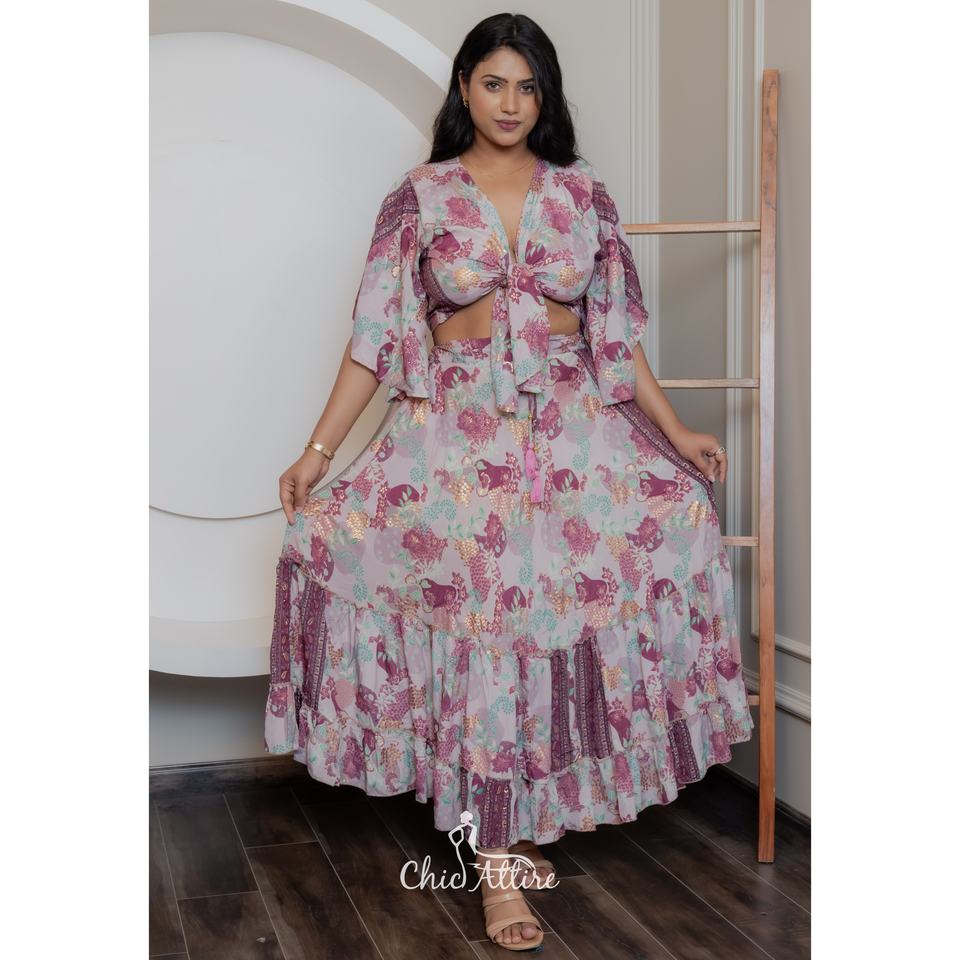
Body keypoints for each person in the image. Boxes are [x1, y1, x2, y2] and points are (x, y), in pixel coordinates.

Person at [264, 12, 754, 952]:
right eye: (494, 83)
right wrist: (319, 452)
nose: (511, 103)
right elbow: (374, 340)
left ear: (545, 98)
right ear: (464, 87)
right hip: (457, 436)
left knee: (565, 609)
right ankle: (496, 861)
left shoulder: (583, 195)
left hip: (574, 432)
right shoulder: (419, 197)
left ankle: (528, 816)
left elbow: (615, 338)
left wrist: (677, 431)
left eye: (528, 87)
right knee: (481, 624)